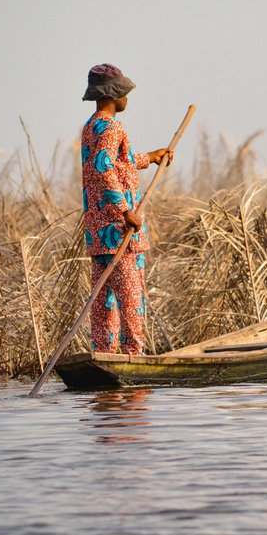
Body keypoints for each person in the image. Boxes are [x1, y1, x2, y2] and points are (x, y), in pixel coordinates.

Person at [81, 63, 173, 355]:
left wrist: (151, 158)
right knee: (131, 299)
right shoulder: (112, 127)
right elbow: (103, 167)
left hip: (99, 233)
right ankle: (133, 356)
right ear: (113, 94)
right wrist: (124, 212)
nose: (127, 100)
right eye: (124, 93)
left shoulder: (91, 127)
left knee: (104, 300)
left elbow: (118, 161)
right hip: (120, 231)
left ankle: (105, 353)